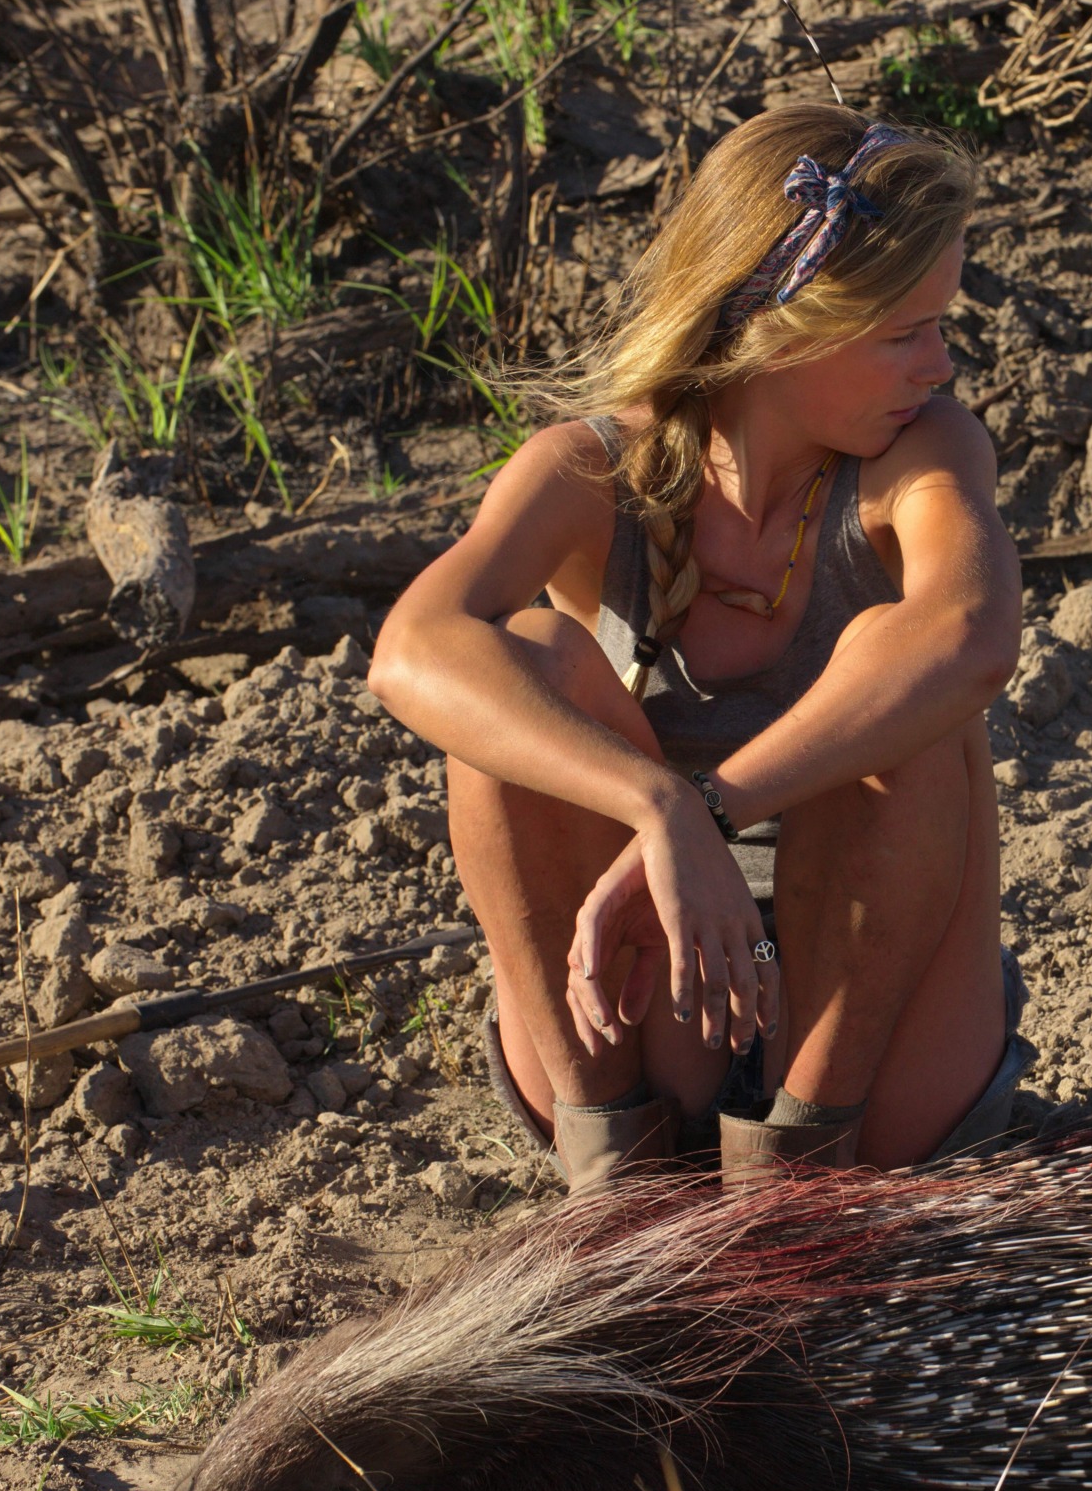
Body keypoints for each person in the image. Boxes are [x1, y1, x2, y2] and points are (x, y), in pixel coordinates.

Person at [369, 106, 1026, 1188]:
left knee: (908, 692)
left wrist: (711, 802)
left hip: (873, 1020)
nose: (941, 366)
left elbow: (970, 637)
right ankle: (614, 1178)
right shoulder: (588, 468)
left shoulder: (927, 454)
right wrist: (658, 809)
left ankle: (797, 1181)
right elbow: (409, 651)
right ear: (783, 326)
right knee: (524, 662)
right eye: (907, 332)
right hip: (654, 999)